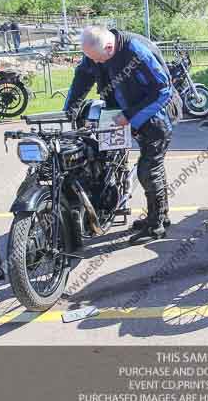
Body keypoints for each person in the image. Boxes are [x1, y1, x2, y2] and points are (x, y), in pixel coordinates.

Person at [64, 26, 174, 245]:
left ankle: (157, 224)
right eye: (91, 59)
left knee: (149, 169)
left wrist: (129, 117)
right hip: (118, 111)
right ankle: (117, 204)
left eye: (97, 59)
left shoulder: (136, 52)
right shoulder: (96, 54)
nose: (95, 63)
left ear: (109, 47)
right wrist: (69, 111)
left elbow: (163, 90)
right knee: (107, 158)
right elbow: (82, 77)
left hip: (154, 114)